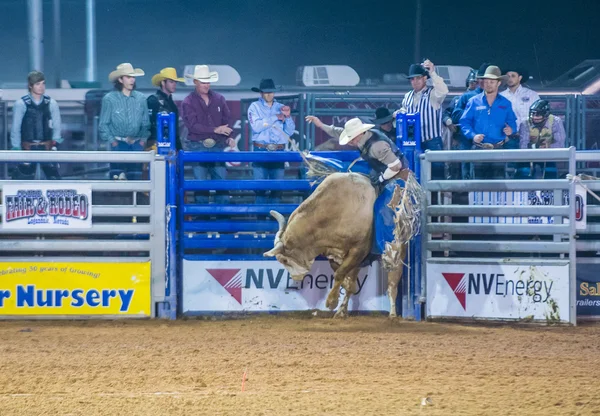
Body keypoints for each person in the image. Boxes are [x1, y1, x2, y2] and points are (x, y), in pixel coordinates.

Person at [181, 65, 233, 204]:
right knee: (201, 184)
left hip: (217, 145)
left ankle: (223, 217)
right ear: (195, 82)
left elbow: (226, 120)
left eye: (208, 82)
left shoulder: (219, 99)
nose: (206, 85)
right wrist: (215, 130)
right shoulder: (188, 102)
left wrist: (228, 137)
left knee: (221, 183)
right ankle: (202, 218)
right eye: (203, 82)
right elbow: (193, 126)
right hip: (198, 146)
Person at [459, 65, 518, 179]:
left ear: (498, 83)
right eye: (486, 81)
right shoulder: (473, 101)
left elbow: (512, 122)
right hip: (479, 149)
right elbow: (464, 122)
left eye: (492, 81)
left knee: (499, 186)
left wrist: (511, 129)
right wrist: (473, 135)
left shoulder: (506, 103)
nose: (488, 84)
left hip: (499, 149)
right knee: (477, 186)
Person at [99, 63, 150, 180]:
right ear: (120, 79)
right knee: (117, 179)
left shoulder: (141, 98)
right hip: (118, 143)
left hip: (137, 144)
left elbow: (145, 123)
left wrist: (142, 141)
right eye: (128, 77)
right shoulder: (109, 99)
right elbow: (103, 124)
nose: (132, 80)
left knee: (136, 179)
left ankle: (136, 198)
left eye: (133, 77)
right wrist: (113, 142)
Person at [248, 78, 295, 204]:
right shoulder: (254, 107)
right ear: (261, 93)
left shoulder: (281, 108)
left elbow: (289, 131)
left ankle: (275, 220)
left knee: (277, 189)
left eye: (271, 92)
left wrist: (288, 117)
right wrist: (275, 117)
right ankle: (260, 221)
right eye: (266, 92)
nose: (269, 94)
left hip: (278, 150)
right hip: (261, 149)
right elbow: (256, 127)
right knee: (260, 189)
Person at [400, 60, 448, 179]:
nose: (415, 81)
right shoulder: (407, 96)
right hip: (412, 142)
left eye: (418, 78)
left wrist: (433, 73)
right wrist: (399, 114)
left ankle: (437, 197)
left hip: (431, 141)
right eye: (412, 79)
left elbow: (443, 91)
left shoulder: (433, 94)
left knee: (436, 175)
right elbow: (404, 111)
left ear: (425, 78)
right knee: (414, 173)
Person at [10, 71, 62, 180]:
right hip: (27, 147)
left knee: (54, 179)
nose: (41, 87)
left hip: (47, 146)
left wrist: (55, 143)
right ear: (30, 85)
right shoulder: (21, 104)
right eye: (37, 84)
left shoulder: (51, 103)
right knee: (23, 178)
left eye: (43, 83)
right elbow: (16, 127)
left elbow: (57, 125)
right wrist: (17, 148)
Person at [517, 99, 566, 179]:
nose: (535, 117)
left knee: (550, 171)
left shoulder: (556, 122)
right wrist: (535, 147)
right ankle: (524, 189)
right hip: (529, 155)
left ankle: (549, 190)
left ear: (546, 114)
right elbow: (523, 146)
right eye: (533, 114)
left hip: (549, 155)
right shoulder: (525, 123)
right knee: (523, 171)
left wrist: (548, 147)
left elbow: (560, 144)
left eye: (538, 114)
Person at [147, 67, 185, 150]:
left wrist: (178, 148)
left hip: (170, 144)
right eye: (171, 82)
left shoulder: (172, 104)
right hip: (156, 144)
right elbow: (148, 125)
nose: (174, 84)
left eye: (175, 82)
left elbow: (175, 129)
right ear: (163, 83)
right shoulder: (153, 100)